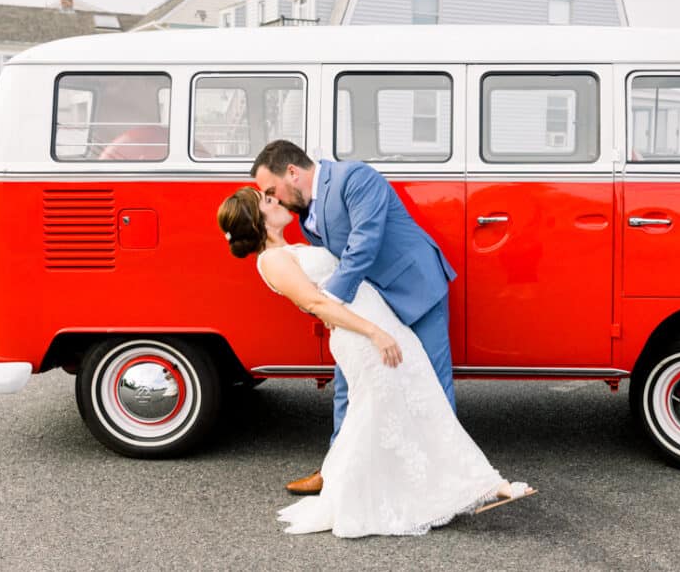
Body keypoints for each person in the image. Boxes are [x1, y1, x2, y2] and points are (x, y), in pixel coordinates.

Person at [217, 187, 535, 537]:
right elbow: (316, 304)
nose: (275, 201)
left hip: (377, 327)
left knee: (415, 401)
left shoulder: (287, 250)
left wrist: (380, 329)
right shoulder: (272, 260)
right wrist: (374, 333)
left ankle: (470, 483)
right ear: (257, 219)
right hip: (364, 337)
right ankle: (480, 484)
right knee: (381, 411)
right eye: (266, 201)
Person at [251, 140, 457, 496]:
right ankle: (336, 469)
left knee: (433, 383)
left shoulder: (354, 177)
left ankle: (448, 479)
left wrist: (330, 303)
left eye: (271, 190)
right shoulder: (303, 211)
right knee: (347, 379)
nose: (274, 199)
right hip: (369, 300)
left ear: (293, 172)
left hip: (415, 287)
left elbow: (364, 241)